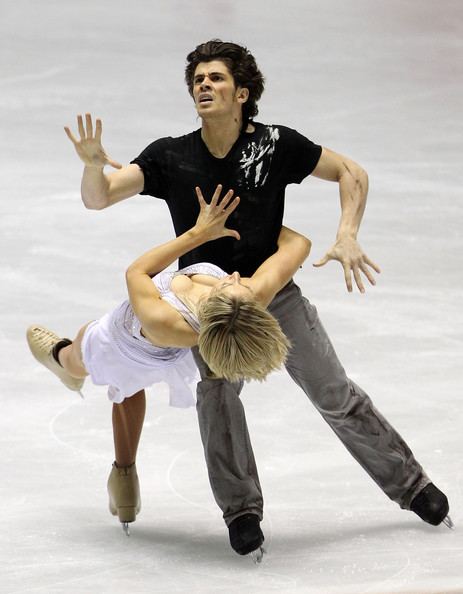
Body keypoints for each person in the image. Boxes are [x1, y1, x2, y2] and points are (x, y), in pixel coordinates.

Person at [63, 40, 451, 558]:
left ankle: (411, 485)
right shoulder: (170, 156)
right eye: (198, 79)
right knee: (218, 398)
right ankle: (242, 511)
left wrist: (348, 233)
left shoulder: (275, 144)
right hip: (209, 308)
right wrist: (92, 166)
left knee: (332, 390)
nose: (204, 84)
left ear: (243, 92)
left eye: (216, 78)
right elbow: (101, 196)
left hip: (274, 294)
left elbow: (350, 172)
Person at [27, 184, 310, 531]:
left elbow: (136, 273)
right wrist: (256, 217)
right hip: (176, 357)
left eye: (232, 282)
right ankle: (124, 476)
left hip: (124, 343)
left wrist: (198, 234)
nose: (236, 275)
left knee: (81, 354)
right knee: (127, 391)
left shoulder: (166, 322)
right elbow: (298, 245)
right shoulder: (250, 296)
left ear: (220, 305)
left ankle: (61, 360)